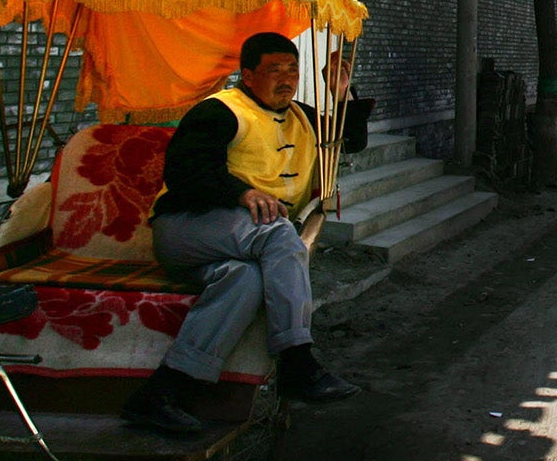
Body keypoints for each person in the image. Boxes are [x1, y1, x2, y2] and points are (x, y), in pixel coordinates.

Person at [122, 32, 373, 436]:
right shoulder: (220, 111)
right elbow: (186, 171)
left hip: (238, 246)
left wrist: (341, 95)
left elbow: (352, 142)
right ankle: (296, 360)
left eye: (293, 70)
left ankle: (163, 391)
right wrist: (242, 192)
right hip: (186, 229)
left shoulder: (302, 116)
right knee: (276, 233)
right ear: (247, 74)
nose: (287, 80)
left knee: (244, 280)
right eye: (275, 70)